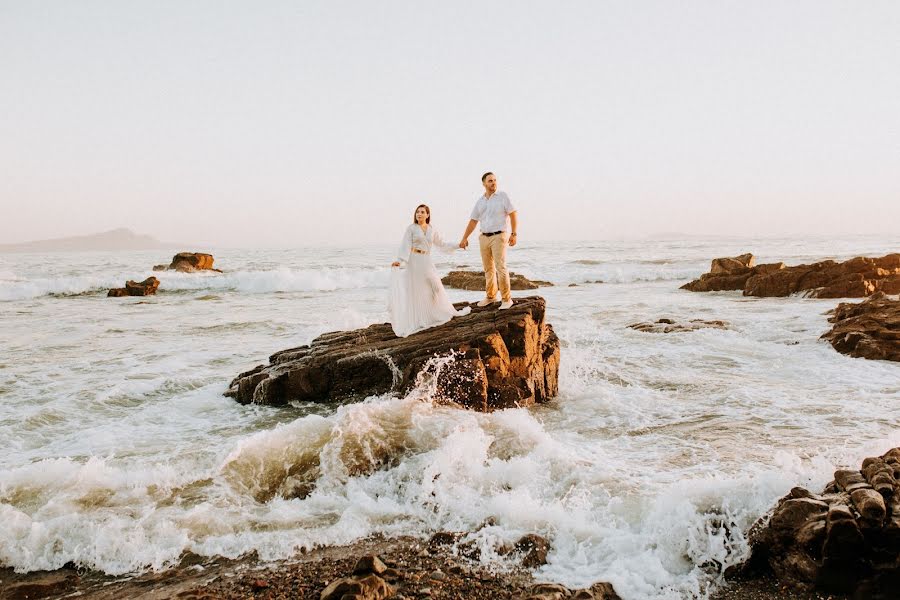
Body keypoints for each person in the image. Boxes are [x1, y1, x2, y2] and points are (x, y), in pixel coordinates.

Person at [388, 204, 471, 337]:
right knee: (417, 291)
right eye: (417, 212)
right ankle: (420, 318)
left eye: (422, 212)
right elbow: (405, 245)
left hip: (426, 260)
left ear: (427, 215)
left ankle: (434, 312)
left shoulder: (432, 229)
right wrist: (400, 260)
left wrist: (458, 245)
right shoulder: (411, 229)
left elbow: (442, 245)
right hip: (414, 261)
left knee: (436, 287)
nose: (419, 214)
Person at [458, 172, 518, 309]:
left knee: (500, 267)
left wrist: (514, 233)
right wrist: (464, 238)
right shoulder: (480, 201)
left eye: (495, 180)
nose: (493, 183)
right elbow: (473, 221)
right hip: (484, 237)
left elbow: (513, 214)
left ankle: (506, 299)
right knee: (488, 269)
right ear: (484, 184)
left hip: (499, 236)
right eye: (490, 181)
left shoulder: (503, 197)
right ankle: (490, 296)